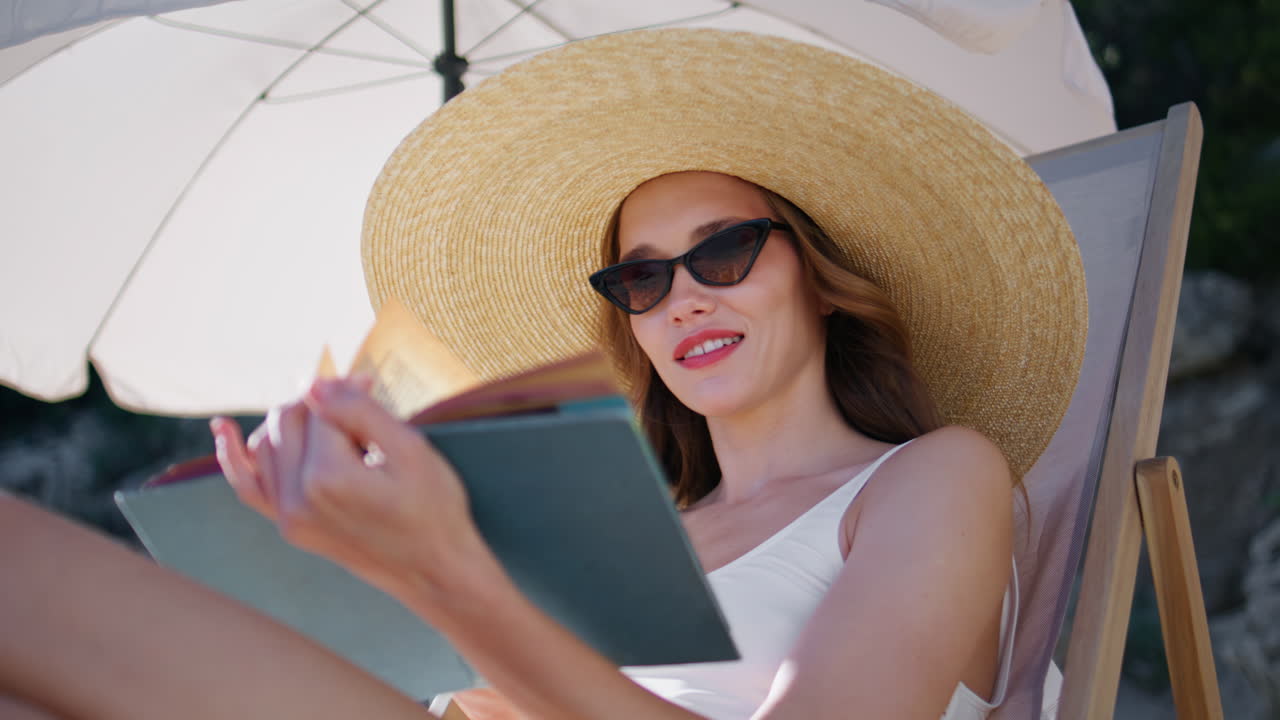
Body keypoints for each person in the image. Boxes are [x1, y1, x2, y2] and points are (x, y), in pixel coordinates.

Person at [0, 28, 1086, 720]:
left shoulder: (933, 479)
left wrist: (448, 575)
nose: (684, 298)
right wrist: (374, 586)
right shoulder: (625, 537)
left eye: (722, 252)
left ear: (815, 271)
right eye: (642, 279)